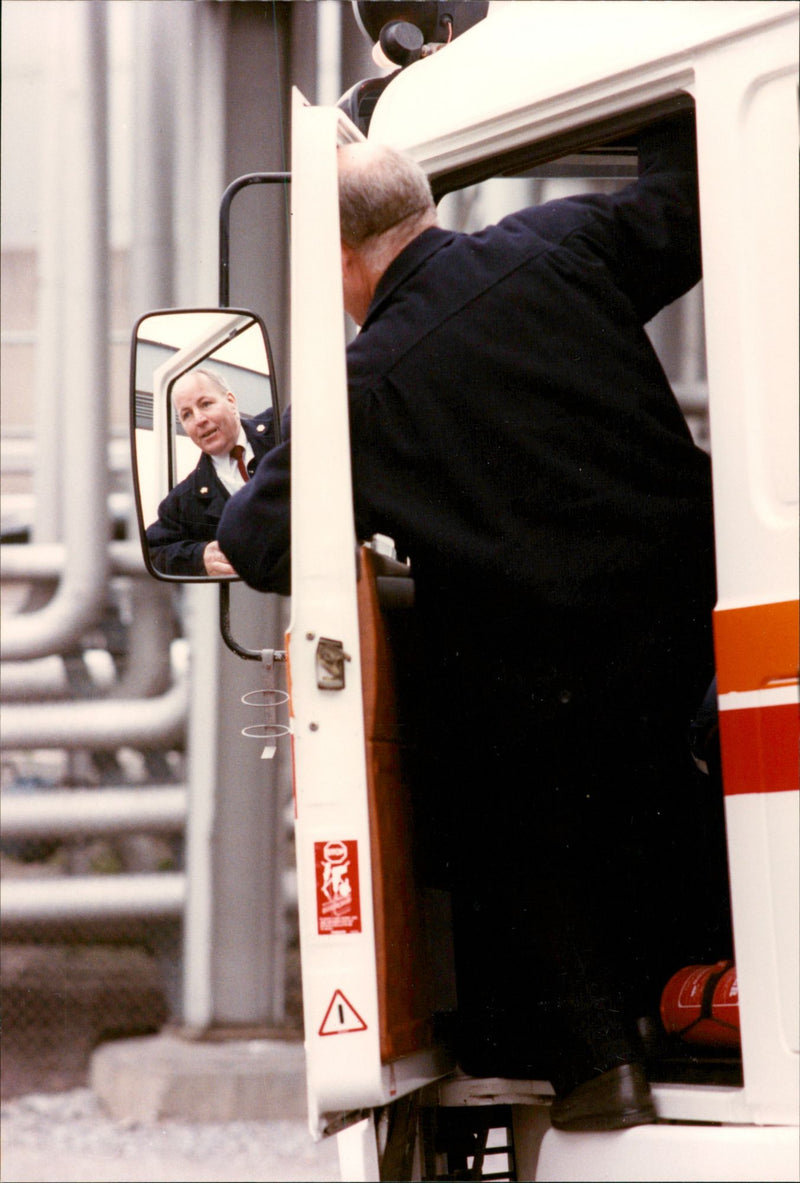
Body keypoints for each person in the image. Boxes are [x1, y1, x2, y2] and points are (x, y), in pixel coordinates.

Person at [218, 111, 732, 1131]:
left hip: (551, 702)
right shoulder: (564, 242)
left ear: (340, 257)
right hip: (703, 636)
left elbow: (257, 540)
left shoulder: (365, 388)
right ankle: (698, 996)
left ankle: (597, 1060)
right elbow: (688, 199)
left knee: (484, 770)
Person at [145, 368, 276, 576]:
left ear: (231, 402)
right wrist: (199, 557)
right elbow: (151, 552)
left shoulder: (282, 427)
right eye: (187, 414)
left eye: (205, 404)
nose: (199, 419)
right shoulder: (183, 500)